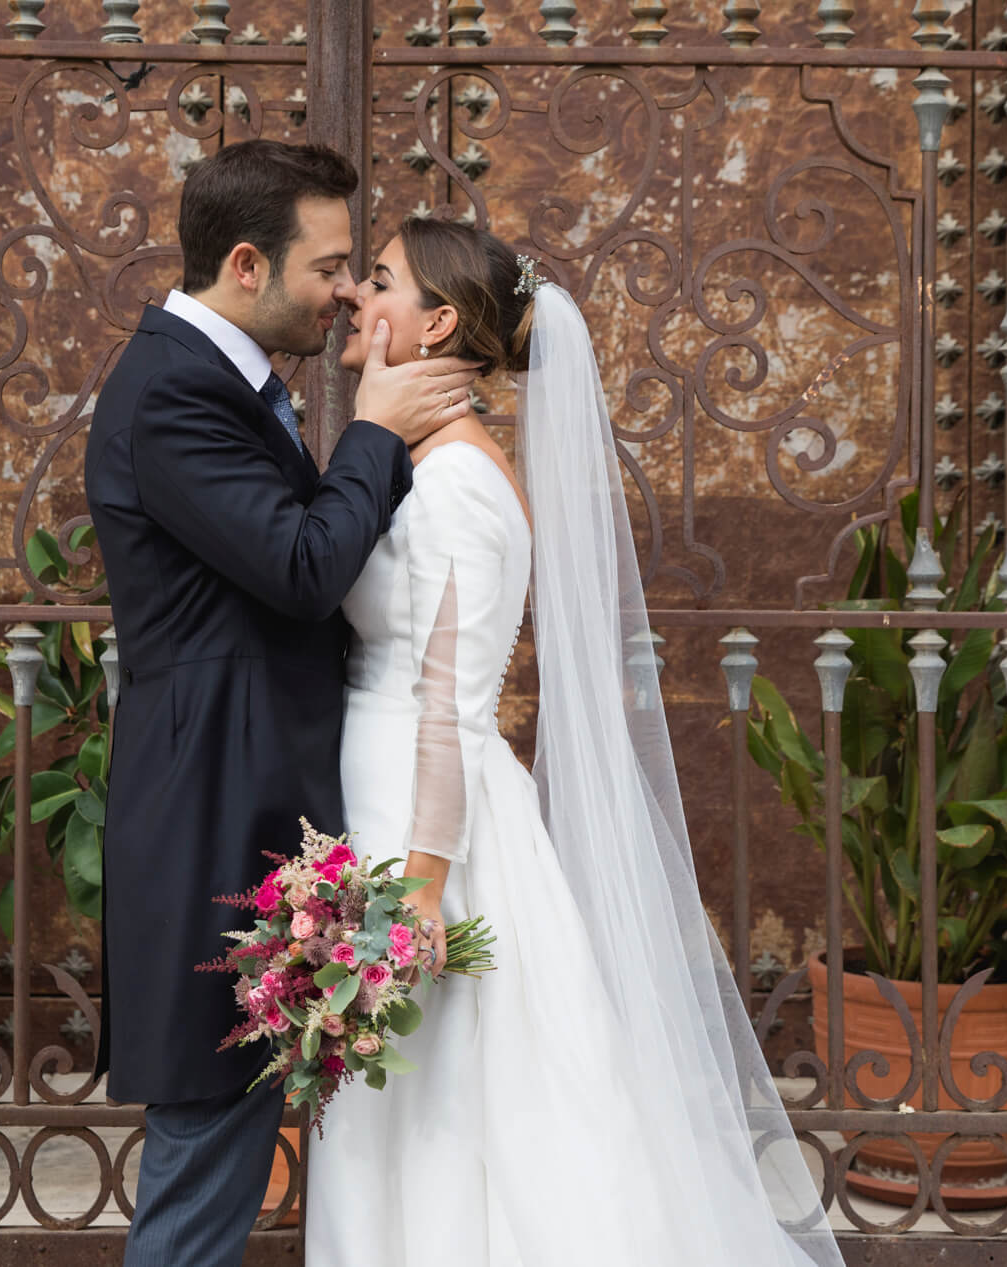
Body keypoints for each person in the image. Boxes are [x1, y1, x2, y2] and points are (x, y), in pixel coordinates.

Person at [306, 218, 846, 1267]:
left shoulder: (458, 481)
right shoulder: (418, 464)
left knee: (445, 1124)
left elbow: (449, 707)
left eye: (377, 282)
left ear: (440, 322)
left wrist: (418, 891)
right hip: (386, 806)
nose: (352, 300)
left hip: (428, 837)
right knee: (410, 1121)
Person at [83, 140, 483, 1267]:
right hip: (210, 807)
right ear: (248, 263)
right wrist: (377, 427)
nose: (350, 291)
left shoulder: (222, 380)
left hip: (255, 799)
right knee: (207, 1154)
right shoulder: (169, 391)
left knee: (229, 1134)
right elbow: (302, 566)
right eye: (333, 265)